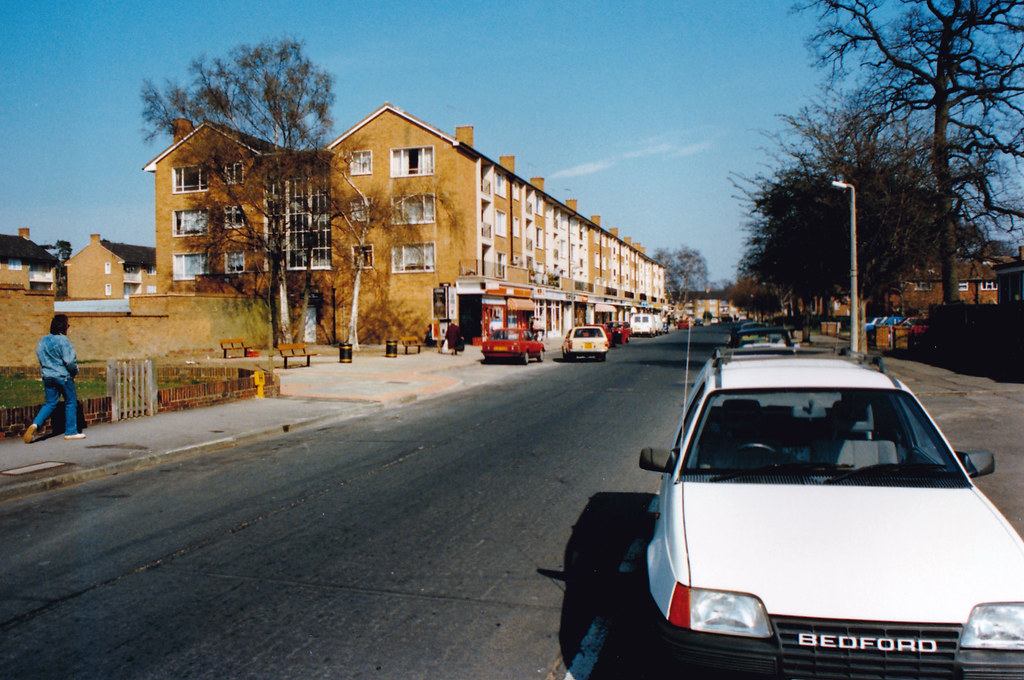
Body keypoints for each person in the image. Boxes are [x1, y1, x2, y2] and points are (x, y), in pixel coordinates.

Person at [24, 314, 85, 443]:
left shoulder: (43, 340)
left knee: (50, 403)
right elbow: (69, 361)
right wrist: (74, 371)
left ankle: (35, 425)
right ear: (63, 327)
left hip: (48, 376)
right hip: (63, 376)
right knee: (70, 402)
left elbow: (40, 356)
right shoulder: (64, 341)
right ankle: (71, 431)